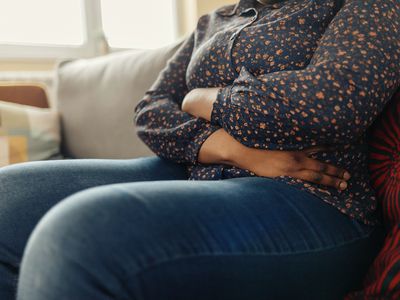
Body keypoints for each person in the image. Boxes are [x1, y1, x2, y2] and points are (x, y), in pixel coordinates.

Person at [1, 0, 399, 299]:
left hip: (312, 201)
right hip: (192, 167)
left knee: (80, 236)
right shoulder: (213, 21)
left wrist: (201, 99)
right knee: (6, 199)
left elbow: (326, 105)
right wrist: (230, 148)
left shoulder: (361, 6)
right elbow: (150, 108)